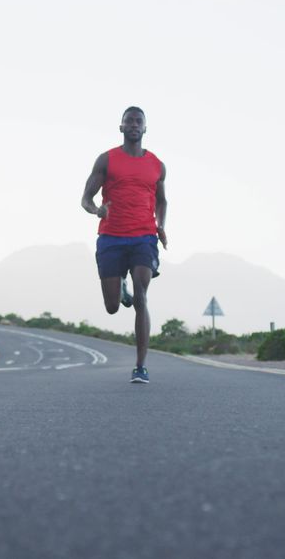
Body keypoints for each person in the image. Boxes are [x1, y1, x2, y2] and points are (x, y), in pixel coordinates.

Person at [80, 106, 167, 384]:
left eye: (138, 121)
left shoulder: (157, 165)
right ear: (121, 127)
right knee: (112, 306)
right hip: (111, 237)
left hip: (144, 236)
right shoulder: (106, 160)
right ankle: (121, 289)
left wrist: (161, 225)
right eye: (128, 121)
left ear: (145, 128)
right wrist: (96, 211)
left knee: (143, 296)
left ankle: (140, 366)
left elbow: (162, 200)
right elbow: (85, 197)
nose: (133, 125)